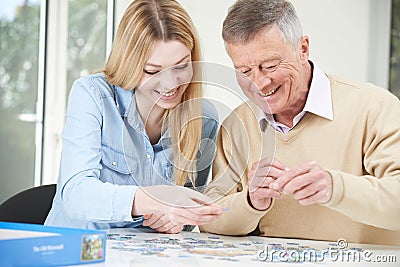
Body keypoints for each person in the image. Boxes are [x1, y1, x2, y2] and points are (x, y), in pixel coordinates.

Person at [200, 0, 400, 245]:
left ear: (303, 48)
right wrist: (250, 202)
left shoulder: (374, 107)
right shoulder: (237, 125)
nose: (259, 83)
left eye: (270, 66)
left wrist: (335, 187)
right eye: (244, 71)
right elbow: (210, 217)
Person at [45, 0, 223, 233]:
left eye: (181, 66)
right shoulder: (92, 95)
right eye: (152, 71)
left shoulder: (204, 119)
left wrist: (178, 220)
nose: (170, 83)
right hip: (76, 251)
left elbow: (188, 213)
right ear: (130, 63)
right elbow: (76, 193)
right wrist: (152, 199)